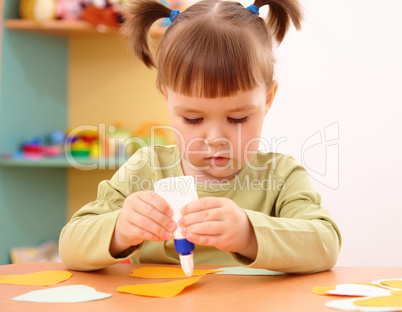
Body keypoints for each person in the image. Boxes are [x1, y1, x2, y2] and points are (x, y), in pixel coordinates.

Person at [59, 0, 341, 273]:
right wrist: (119, 229)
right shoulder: (145, 169)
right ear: (166, 98)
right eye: (193, 119)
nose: (216, 138)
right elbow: (70, 245)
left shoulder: (279, 176)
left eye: (237, 118)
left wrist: (249, 233)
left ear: (268, 100)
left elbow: (325, 244)